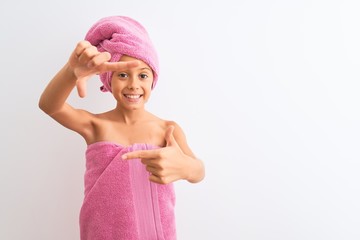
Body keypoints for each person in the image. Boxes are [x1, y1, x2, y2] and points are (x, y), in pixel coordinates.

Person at [38, 16, 205, 240]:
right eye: (123, 75)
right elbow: (49, 106)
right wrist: (71, 72)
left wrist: (186, 167)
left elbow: (198, 172)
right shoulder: (96, 126)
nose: (134, 84)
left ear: (152, 80)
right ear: (108, 80)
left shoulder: (168, 129)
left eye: (143, 75)